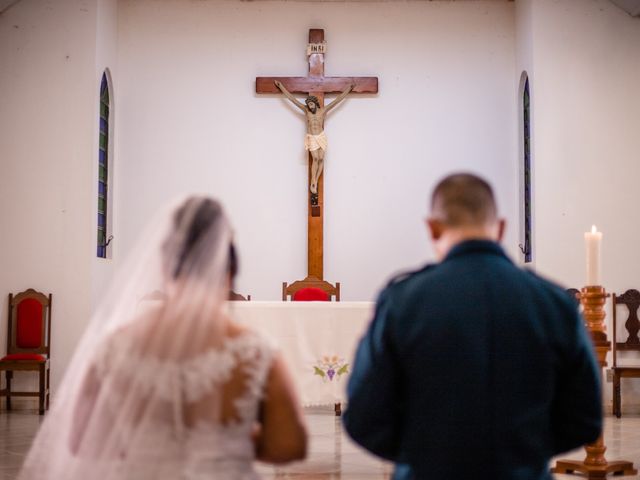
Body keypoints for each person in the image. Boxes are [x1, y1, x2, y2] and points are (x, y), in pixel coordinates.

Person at [19, 196, 307, 479]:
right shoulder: (255, 352)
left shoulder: (114, 347)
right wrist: (230, 443)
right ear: (229, 271)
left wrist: (146, 443)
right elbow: (290, 445)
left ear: (164, 266)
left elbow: (82, 439)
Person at [343, 173, 602, 480]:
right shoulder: (553, 303)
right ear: (501, 228)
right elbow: (585, 417)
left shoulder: (403, 302)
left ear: (432, 227)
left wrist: (422, 454)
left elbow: (363, 416)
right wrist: (524, 452)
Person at [274, 80, 354, 197]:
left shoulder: (323, 110)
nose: (310, 107)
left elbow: (337, 100)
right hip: (311, 136)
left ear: (315, 103)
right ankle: (313, 182)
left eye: (311, 105)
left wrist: (348, 90)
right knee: (315, 158)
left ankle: (316, 180)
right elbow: (292, 100)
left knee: (321, 159)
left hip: (321, 136)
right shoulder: (306, 111)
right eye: (309, 105)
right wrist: (281, 87)